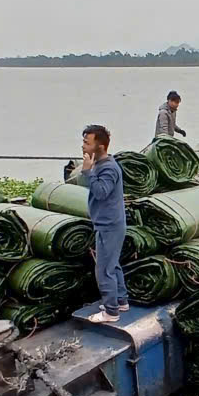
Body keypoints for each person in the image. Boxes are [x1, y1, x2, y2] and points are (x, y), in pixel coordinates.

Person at [78, 123, 128, 322]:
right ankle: (121, 301)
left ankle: (111, 312)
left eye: (86, 142)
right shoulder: (102, 163)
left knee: (103, 269)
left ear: (100, 147)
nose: (82, 146)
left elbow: (101, 192)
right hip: (110, 223)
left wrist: (88, 172)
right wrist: (89, 170)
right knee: (112, 265)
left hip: (109, 225)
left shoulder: (108, 168)